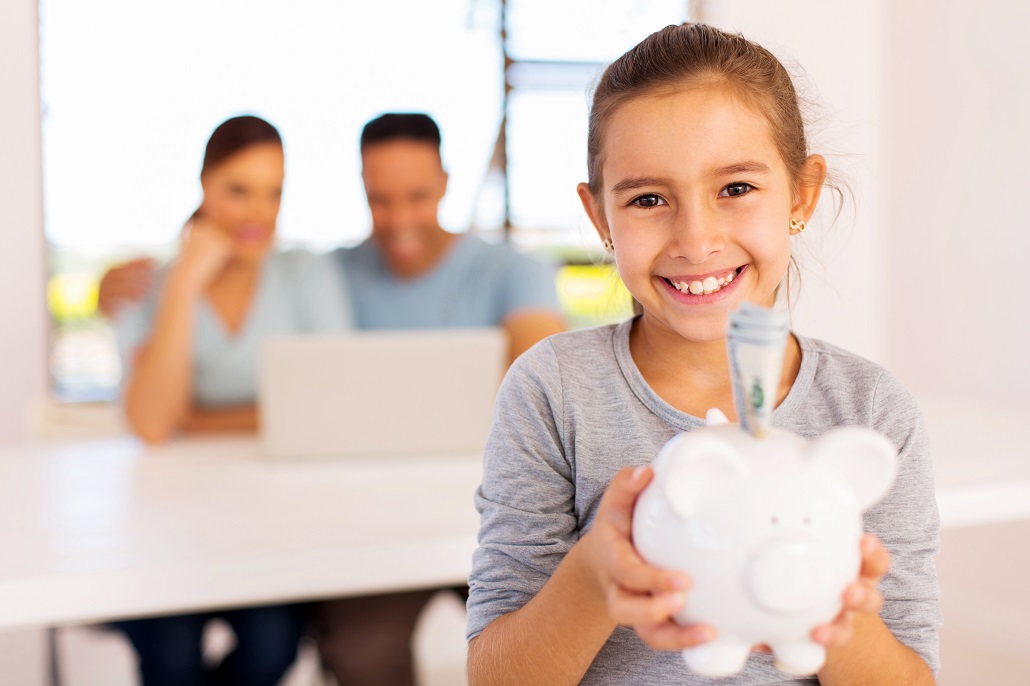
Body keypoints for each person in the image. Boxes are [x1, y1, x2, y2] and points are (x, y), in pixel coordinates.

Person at [466, 23, 940, 686]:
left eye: (736, 189)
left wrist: (824, 593)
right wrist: (595, 574)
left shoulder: (870, 411)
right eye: (649, 199)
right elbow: (495, 676)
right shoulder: (553, 391)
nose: (695, 239)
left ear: (801, 195)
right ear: (600, 217)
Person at [312, 113, 566, 685]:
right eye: (380, 199)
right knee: (360, 652)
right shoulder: (329, 276)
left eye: (418, 196)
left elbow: (541, 375)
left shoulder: (512, 271)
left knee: (548, 638)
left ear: (447, 182)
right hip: (377, 522)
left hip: (503, 514)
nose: (400, 219)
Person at [114, 115, 351, 685]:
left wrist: (195, 420)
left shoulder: (304, 273)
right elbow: (151, 424)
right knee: (169, 656)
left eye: (274, 193)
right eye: (238, 191)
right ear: (203, 185)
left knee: (272, 647)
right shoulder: (149, 286)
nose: (257, 213)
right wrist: (185, 284)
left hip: (273, 520)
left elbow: (331, 399)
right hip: (169, 521)